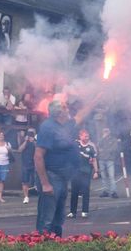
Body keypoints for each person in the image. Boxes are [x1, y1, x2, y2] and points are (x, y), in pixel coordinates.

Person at [35, 97, 99, 236]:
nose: (68, 109)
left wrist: (96, 98)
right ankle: (41, 246)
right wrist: (45, 184)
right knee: (47, 218)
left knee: (59, 218)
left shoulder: (66, 125)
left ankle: (56, 245)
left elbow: (81, 115)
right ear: (59, 112)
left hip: (63, 178)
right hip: (51, 176)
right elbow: (38, 156)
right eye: (65, 107)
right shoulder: (48, 127)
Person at [68, 129, 99, 219]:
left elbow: (94, 159)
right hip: (75, 172)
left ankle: (85, 211)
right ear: (80, 136)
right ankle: (72, 212)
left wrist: (96, 171)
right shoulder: (75, 144)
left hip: (86, 172)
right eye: (85, 136)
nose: (87, 138)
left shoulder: (91, 147)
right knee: (74, 192)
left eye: (87, 136)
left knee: (86, 192)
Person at [96, 128, 120, 198]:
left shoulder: (113, 139)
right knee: (103, 177)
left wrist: (103, 150)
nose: (105, 132)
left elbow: (114, 149)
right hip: (101, 160)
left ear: (109, 132)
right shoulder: (101, 139)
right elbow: (98, 146)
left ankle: (113, 192)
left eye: (106, 131)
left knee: (111, 176)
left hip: (110, 160)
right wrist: (102, 139)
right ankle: (105, 191)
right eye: (104, 131)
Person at [18, 128, 37, 204]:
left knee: (37, 180)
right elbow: (20, 150)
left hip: (35, 164)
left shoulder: (36, 141)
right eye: (29, 133)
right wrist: (26, 141)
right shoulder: (24, 141)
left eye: (32, 133)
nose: (30, 134)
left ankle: (39, 194)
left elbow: (39, 150)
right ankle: (26, 197)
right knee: (25, 181)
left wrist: (34, 141)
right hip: (26, 164)